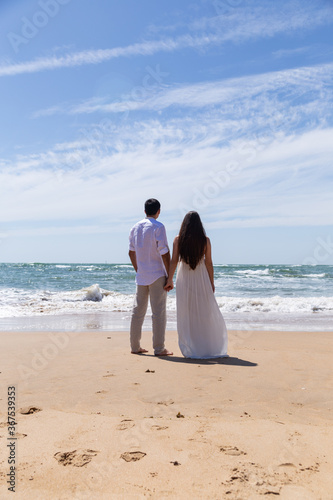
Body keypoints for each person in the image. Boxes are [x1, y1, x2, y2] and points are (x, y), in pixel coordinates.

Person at [165, 211, 228, 359]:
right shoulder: (205, 240)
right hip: (201, 278)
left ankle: (191, 346)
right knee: (203, 312)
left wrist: (169, 279)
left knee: (187, 312)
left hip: (184, 277)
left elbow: (174, 261)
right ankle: (205, 345)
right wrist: (211, 282)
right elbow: (209, 263)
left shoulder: (178, 240)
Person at [129, 198, 173, 356]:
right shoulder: (159, 226)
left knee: (138, 312)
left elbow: (131, 252)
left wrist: (138, 269)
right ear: (158, 211)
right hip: (156, 274)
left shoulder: (135, 227)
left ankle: (135, 346)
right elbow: (165, 252)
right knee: (158, 313)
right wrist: (169, 276)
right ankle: (159, 348)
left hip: (142, 275)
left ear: (144, 211)